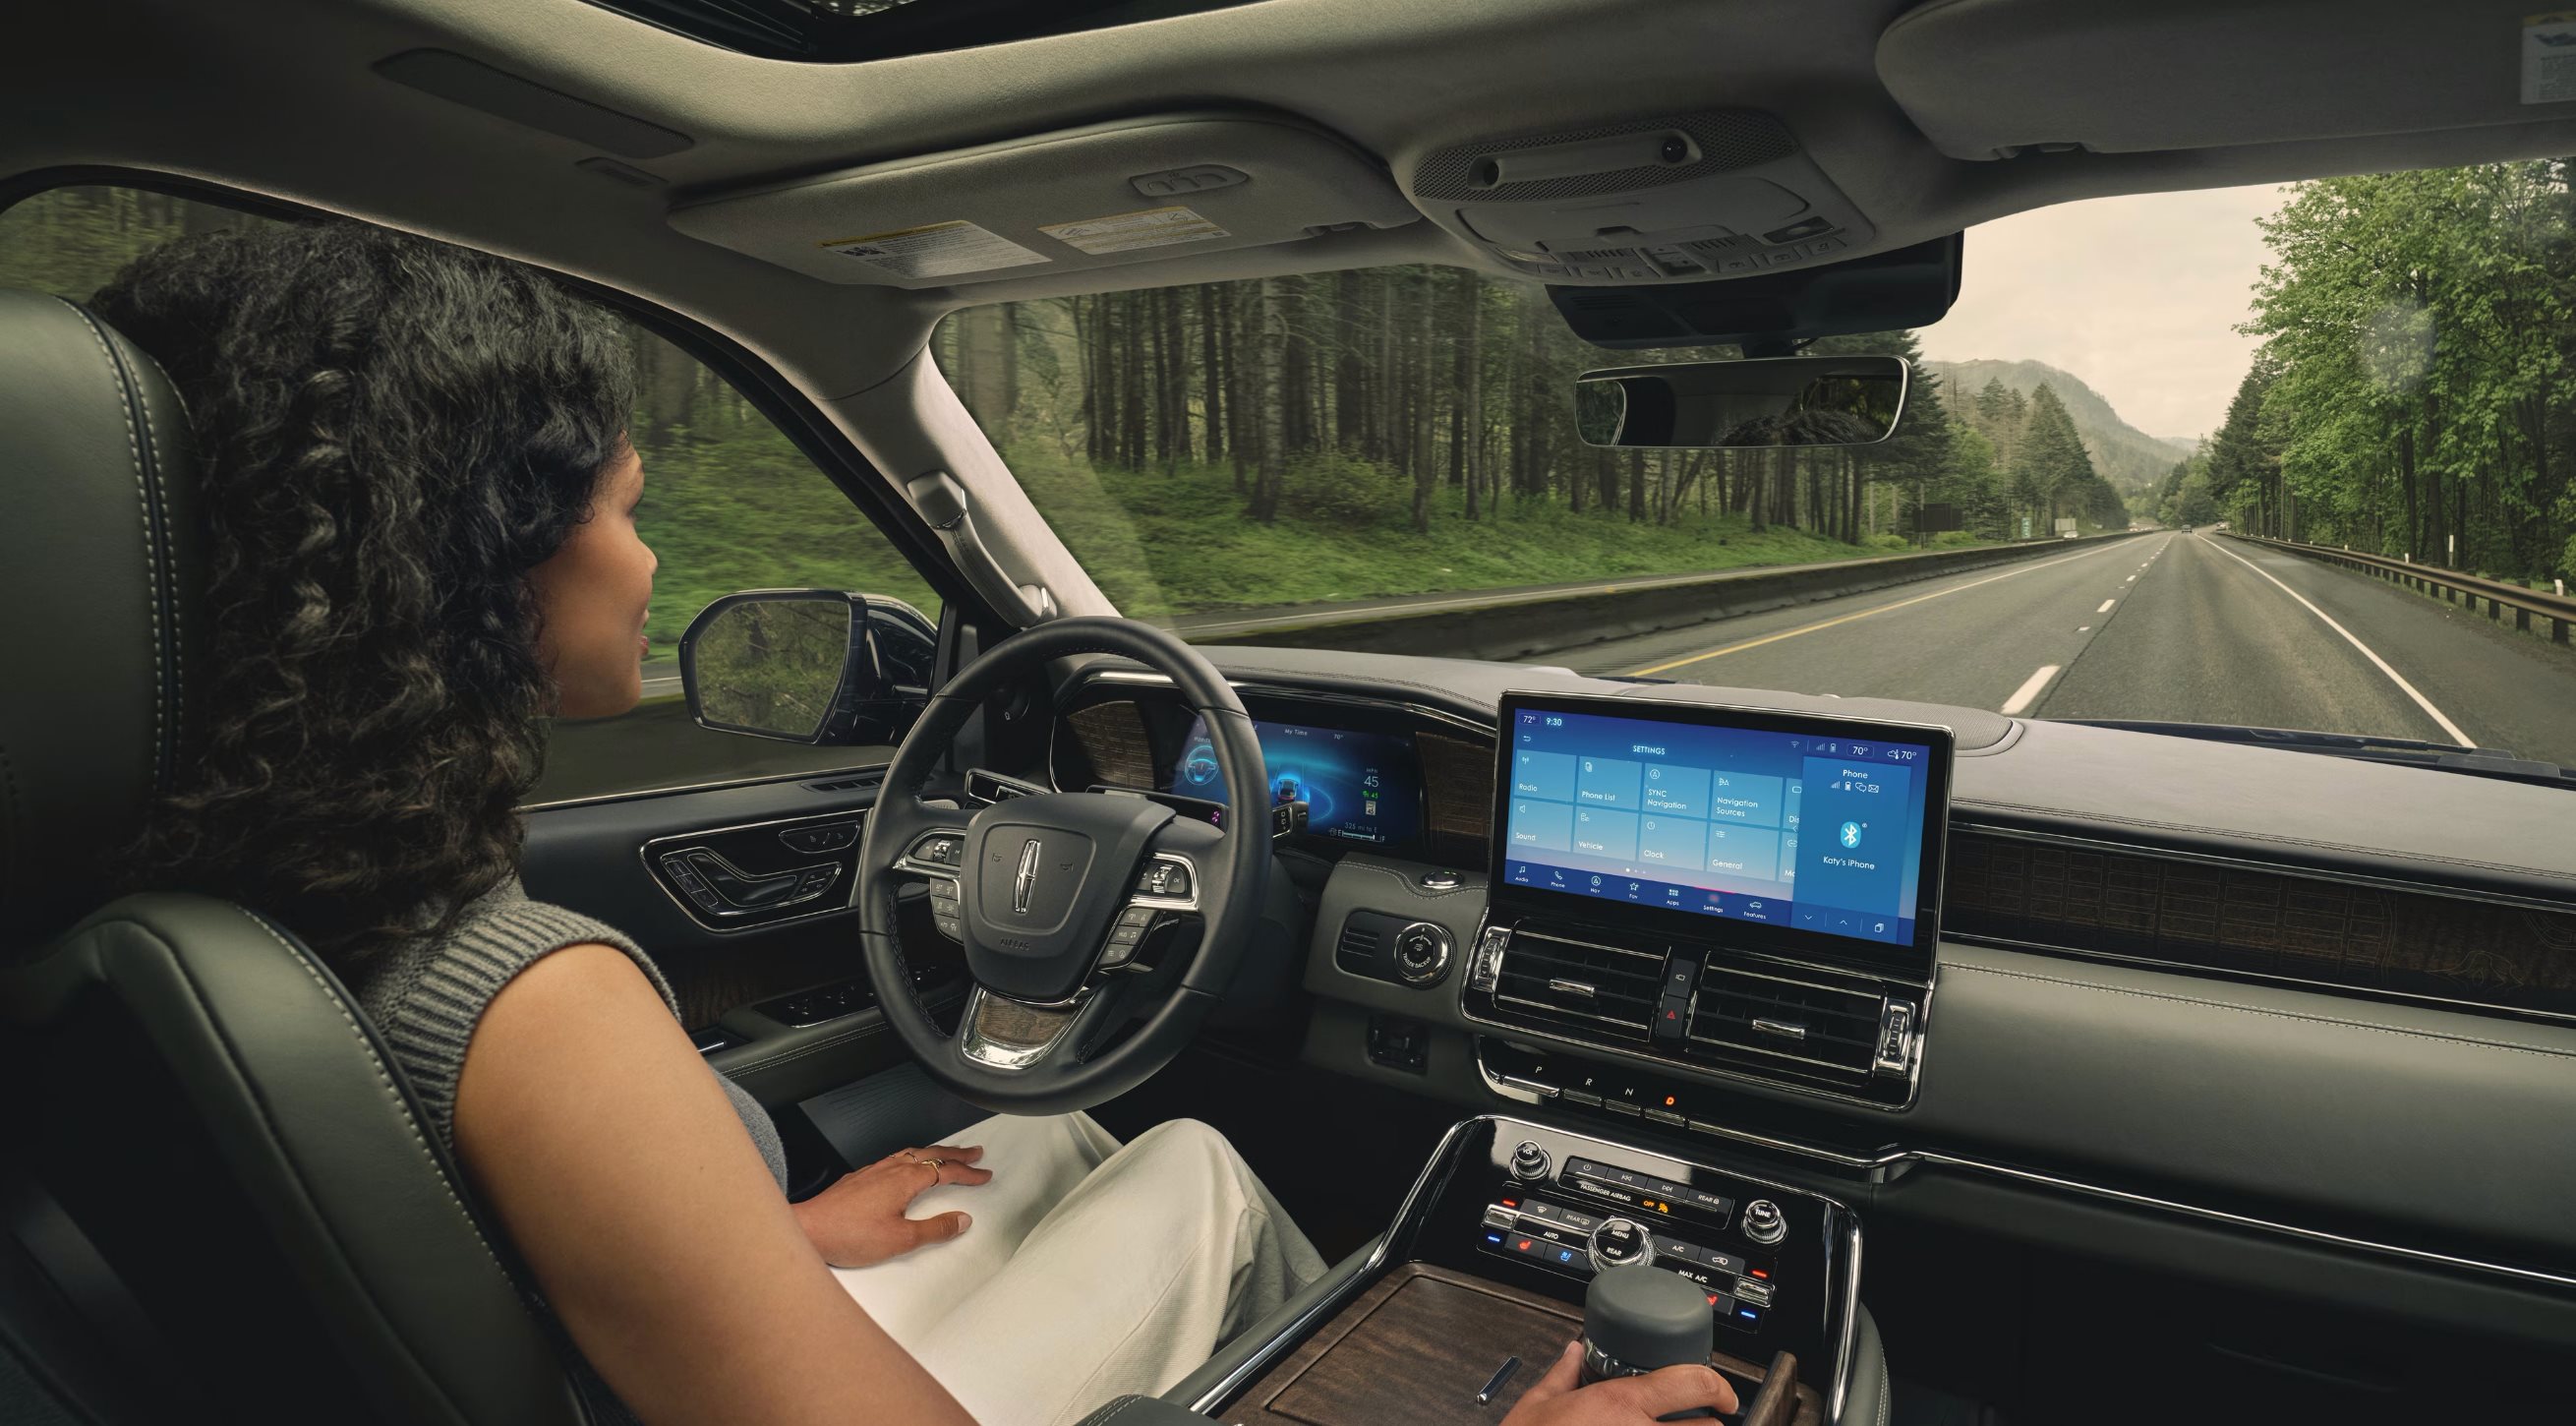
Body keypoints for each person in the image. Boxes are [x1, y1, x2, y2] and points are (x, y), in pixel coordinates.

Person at [92, 220, 1735, 1426]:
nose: (649, 551)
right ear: (483, 556)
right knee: (1204, 1170)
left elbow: (473, 1255)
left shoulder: (176, 904)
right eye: (622, 502)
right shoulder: (535, 1009)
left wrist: (754, 1232)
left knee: (1039, 1136)